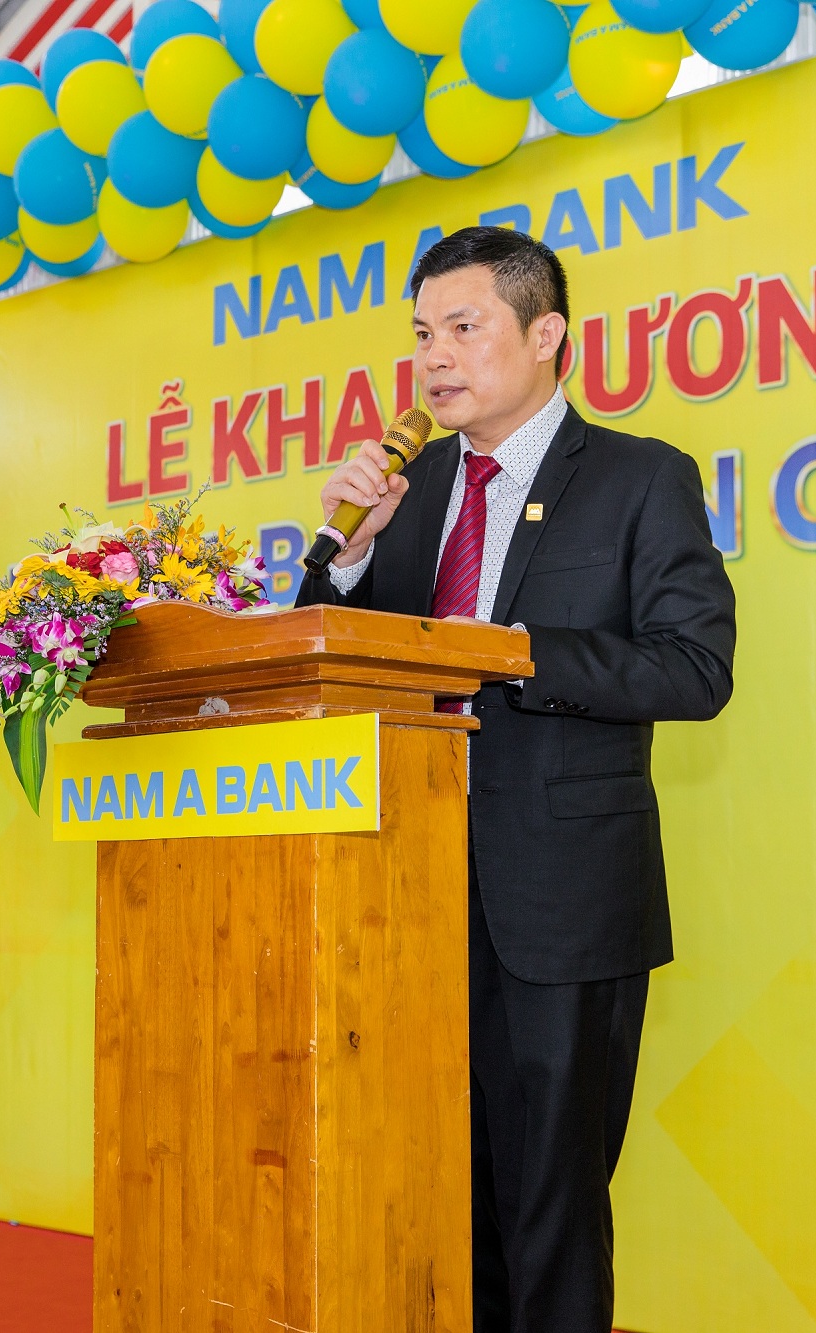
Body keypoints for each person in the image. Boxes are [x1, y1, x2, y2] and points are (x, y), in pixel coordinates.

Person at [294, 226, 736, 1332]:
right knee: (443, 1191)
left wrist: (519, 652)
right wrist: (350, 557)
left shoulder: (638, 477)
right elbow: (335, 661)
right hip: (406, 893)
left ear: (545, 335)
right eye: (420, 335)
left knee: (550, 1207)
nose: (434, 357)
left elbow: (694, 668)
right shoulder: (409, 492)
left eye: (462, 327)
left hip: (562, 903)